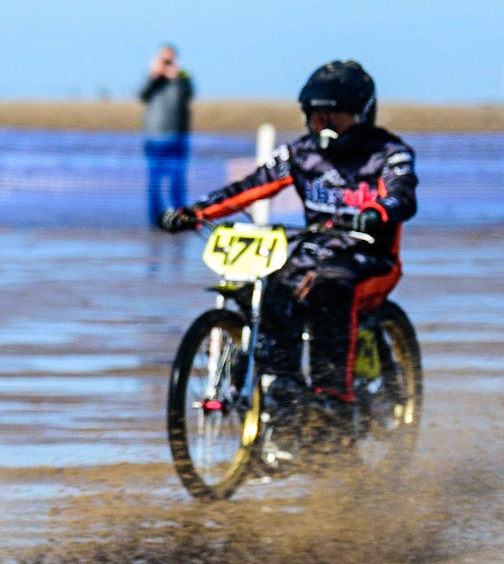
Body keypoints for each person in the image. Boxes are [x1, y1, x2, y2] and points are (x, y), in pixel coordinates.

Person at [159, 60, 417, 412]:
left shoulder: (389, 153)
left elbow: (402, 196)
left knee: (330, 290)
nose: (326, 128)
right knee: (272, 291)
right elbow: (249, 187)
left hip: (370, 258)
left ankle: (333, 399)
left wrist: (377, 212)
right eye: (318, 118)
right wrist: (196, 212)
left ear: (361, 115)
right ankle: (284, 390)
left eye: (335, 118)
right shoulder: (300, 154)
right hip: (312, 252)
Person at [138, 44, 194, 228]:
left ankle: (179, 217)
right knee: (154, 181)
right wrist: (154, 75)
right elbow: (142, 94)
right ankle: (155, 219)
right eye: (164, 59)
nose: (167, 63)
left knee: (177, 180)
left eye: (170, 59)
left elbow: (188, 94)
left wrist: (176, 77)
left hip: (178, 136)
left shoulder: (182, 77)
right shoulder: (152, 77)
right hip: (154, 137)